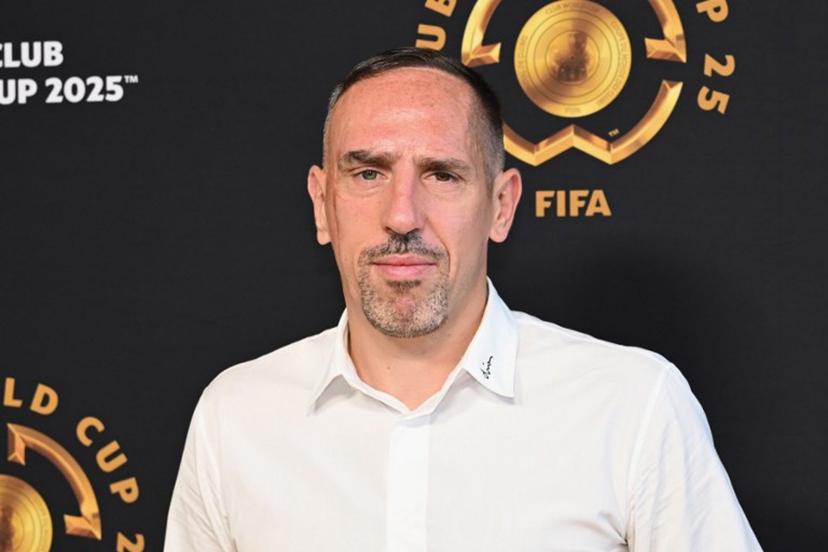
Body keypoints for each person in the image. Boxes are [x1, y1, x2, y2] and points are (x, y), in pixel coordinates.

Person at [164, 47, 762, 551]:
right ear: (323, 205)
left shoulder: (632, 404)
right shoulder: (235, 418)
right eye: (368, 173)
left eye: (441, 175)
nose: (402, 215)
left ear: (501, 205)